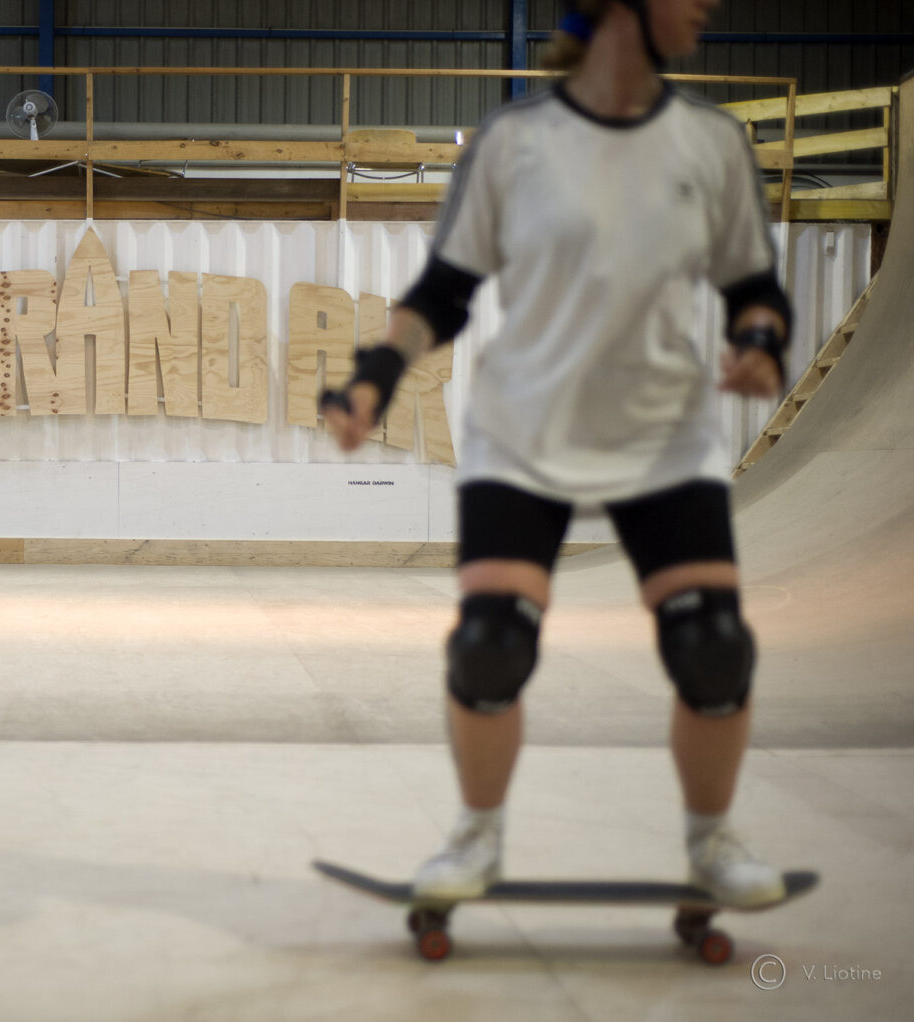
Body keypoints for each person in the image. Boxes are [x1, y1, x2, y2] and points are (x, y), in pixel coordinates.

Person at [323, 0, 790, 907]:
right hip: (525, 433)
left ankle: (712, 843)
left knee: (714, 650)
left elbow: (754, 286)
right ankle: (476, 836)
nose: (708, 4)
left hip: (661, 434)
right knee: (490, 647)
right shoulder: (516, 143)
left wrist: (761, 339)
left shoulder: (711, 143)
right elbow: (443, 292)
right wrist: (375, 377)